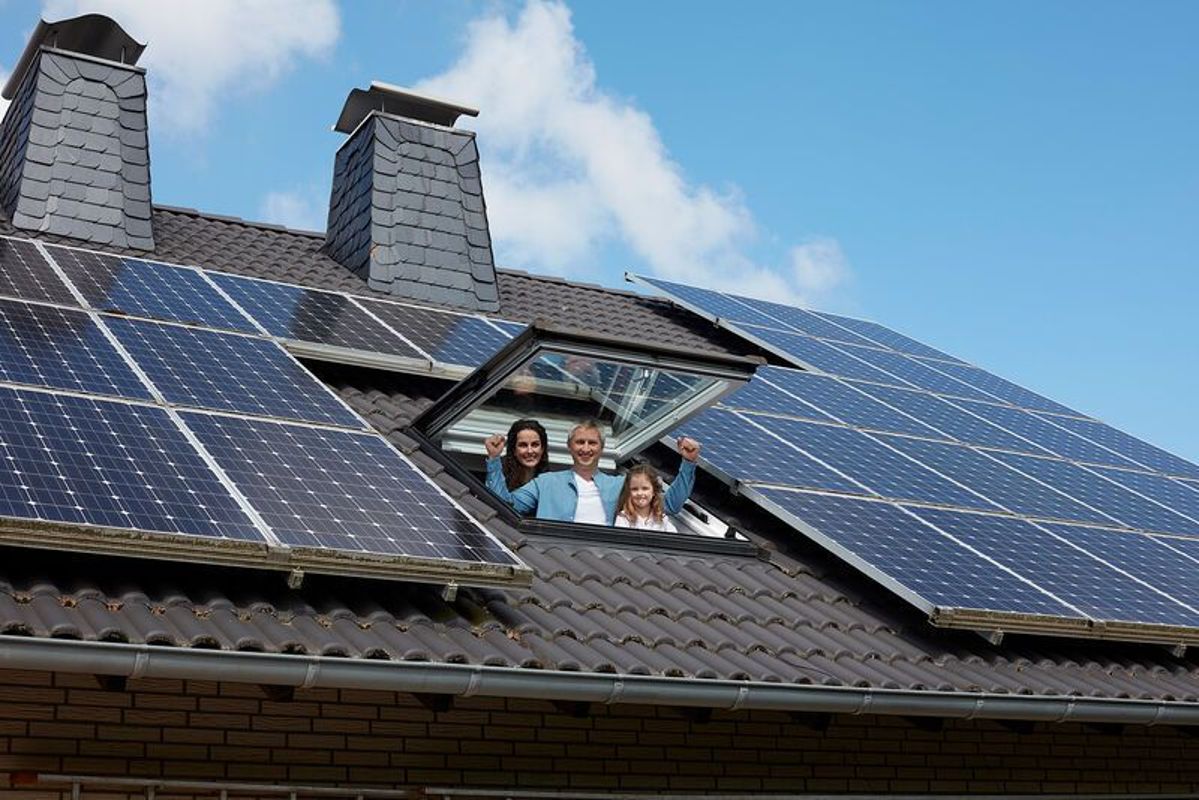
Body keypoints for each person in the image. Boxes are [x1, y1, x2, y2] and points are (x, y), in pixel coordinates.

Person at [484, 418, 701, 524]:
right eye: (580, 442)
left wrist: (688, 463)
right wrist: (494, 460)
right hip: (550, 557)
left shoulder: (619, 485)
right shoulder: (546, 482)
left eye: (592, 443)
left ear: (601, 448)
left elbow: (670, 505)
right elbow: (503, 504)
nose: (585, 449)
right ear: (570, 446)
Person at [487, 419, 549, 491]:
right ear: (514, 450)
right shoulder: (500, 475)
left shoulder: (550, 480)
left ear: (542, 449)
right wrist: (494, 456)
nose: (530, 451)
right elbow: (493, 498)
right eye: (523, 445)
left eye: (535, 445)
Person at [614, 464, 678, 533]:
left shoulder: (662, 519)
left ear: (654, 491)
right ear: (629, 492)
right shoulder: (623, 519)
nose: (640, 493)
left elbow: (676, 539)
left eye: (645, 488)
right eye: (635, 489)